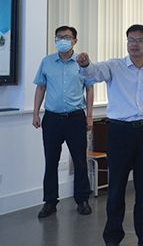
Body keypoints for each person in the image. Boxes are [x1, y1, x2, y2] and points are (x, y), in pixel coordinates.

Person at [76, 24, 143, 246]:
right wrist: (85, 64)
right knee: (116, 187)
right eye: (130, 40)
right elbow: (92, 73)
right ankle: (112, 238)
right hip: (119, 132)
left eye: (139, 40)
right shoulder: (114, 66)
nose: (134, 44)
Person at [32, 25, 95, 218]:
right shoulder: (47, 62)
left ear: (75, 41)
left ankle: (82, 200)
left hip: (75, 118)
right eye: (59, 37)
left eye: (67, 37)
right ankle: (50, 202)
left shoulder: (82, 63)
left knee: (80, 161)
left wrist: (89, 116)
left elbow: (90, 89)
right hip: (52, 119)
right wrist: (35, 113)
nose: (62, 40)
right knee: (51, 161)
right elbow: (40, 88)